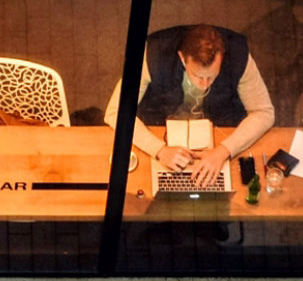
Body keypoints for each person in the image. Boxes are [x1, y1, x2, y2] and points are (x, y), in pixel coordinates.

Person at [105, 25, 275, 186]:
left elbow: (264, 112)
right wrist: (159, 150)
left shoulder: (239, 56)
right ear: (182, 58)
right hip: (162, 123)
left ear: (222, 57)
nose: (204, 85)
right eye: (197, 75)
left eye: (212, 76)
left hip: (218, 125)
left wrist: (223, 151)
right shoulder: (152, 55)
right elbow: (116, 112)